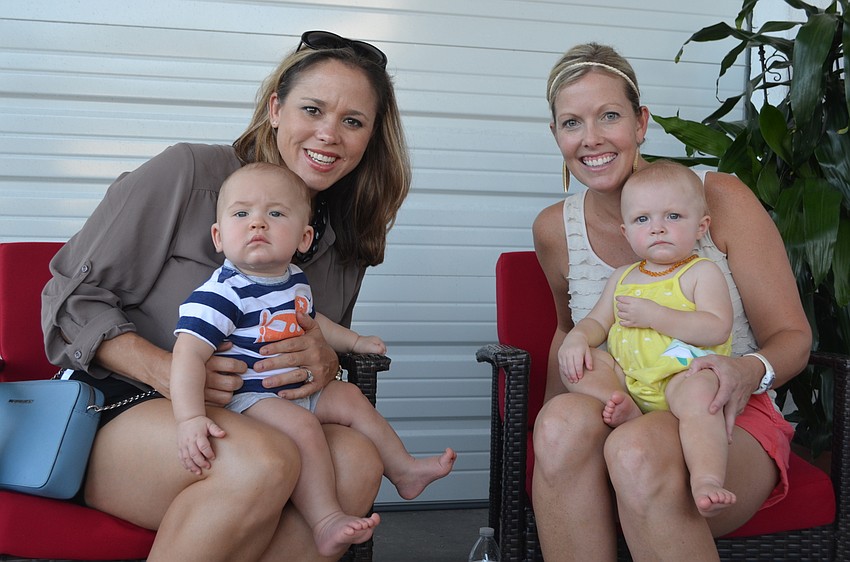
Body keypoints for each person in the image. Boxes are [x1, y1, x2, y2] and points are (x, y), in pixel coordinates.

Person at [42, 30, 411, 561]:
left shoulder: (343, 234)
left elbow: (311, 341)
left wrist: (326, 362)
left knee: (356, 459)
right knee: (261, 459)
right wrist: (168, 371)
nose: (329, 134)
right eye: (313, 109)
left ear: (370, 138)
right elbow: (68, 300)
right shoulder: (189, 174)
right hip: (120, 407)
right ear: (276, 108)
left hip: (258, 411)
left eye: (353, 121)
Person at [531, 42, 811, 561]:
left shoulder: (717, 198)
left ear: (641, 122)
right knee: (560, 427)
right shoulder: (554, 228)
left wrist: (745, 371)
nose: (591, 139)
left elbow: (794, 338)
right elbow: (566, 330)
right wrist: (556, 422)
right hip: (626, 400)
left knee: (638, 453)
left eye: (609, 116)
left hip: (723, 408)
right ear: (556, 135)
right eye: (572, 123)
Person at [171, 163, 456, 556]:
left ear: (303, 237)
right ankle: (325, 520)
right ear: (218, 237)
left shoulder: (292, 278)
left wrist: (354, 341)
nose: (258, 223)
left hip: (294, 388)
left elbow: (312, 321)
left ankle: (403, 470)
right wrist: (189, 418)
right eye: (242, 214)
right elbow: (187, 353)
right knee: (304, 427)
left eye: (275, 213)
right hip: (249, 399)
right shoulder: (222, 293)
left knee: (351, 398)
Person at [558, 160, 735, 516]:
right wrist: (577, 338)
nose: (657, 229)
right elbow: (597, 322)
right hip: (630, 376)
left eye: (673, 217)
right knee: (580, 366)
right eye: (643, 220)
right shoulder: (623, 277)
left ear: (701, 226)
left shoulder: (700, 272)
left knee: (703, 393)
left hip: (681, 370)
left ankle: (707, 479)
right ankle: (627, 407)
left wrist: (657, 316)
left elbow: (717, 327)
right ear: (626, 232)